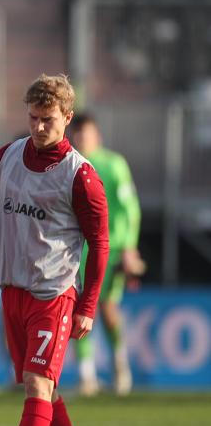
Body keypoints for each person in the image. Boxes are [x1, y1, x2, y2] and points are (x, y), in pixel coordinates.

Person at [0, 74, 109, 426]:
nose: (39, 127)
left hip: (53, 293)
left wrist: (88, 304)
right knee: (43, 388)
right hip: (11, 290)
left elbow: (100, 243)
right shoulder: (8, 156)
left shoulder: (80, 175)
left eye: (48, 119)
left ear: (67, 117)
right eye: (32, 118)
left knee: (37, 384)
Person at [69, 113, 144, 396]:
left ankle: (120, 367)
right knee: (78, 312)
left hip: (110, 250)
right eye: (77, 135)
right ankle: (87, 376)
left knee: (107, 309)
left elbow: (130, 209)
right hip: (78, 252)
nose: (81, 139)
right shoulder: (69, 164)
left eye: (86, 134)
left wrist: (129, 246)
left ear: (96, 136)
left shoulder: (113, 165)